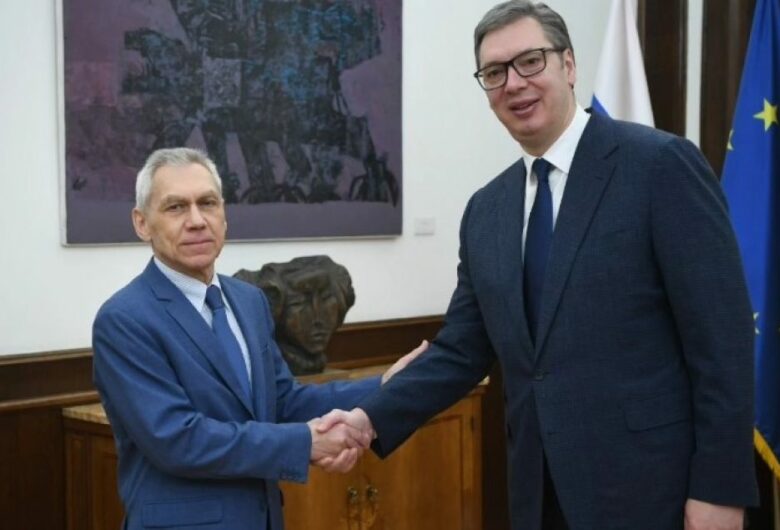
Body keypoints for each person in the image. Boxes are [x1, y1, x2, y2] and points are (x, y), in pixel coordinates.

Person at [317, 2, 758, 529]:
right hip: (536, 492)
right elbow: (461, 351)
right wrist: (368, 418)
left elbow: (722, 341)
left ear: (568, 65)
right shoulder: (486, 211)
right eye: (494, 72)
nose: (514, 84)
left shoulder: (659, 166)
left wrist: (719, 489)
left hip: (653, 491)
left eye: (530, 61)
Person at [91, 147, 422, 530]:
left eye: (207, 203)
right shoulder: (124, 319)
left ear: (224, 215)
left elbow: (283, 402)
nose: (196, 221)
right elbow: (177, 439)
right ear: (142, 223)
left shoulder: (249, 301)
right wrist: (306, 443)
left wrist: (384, 388)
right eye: (176, 207)